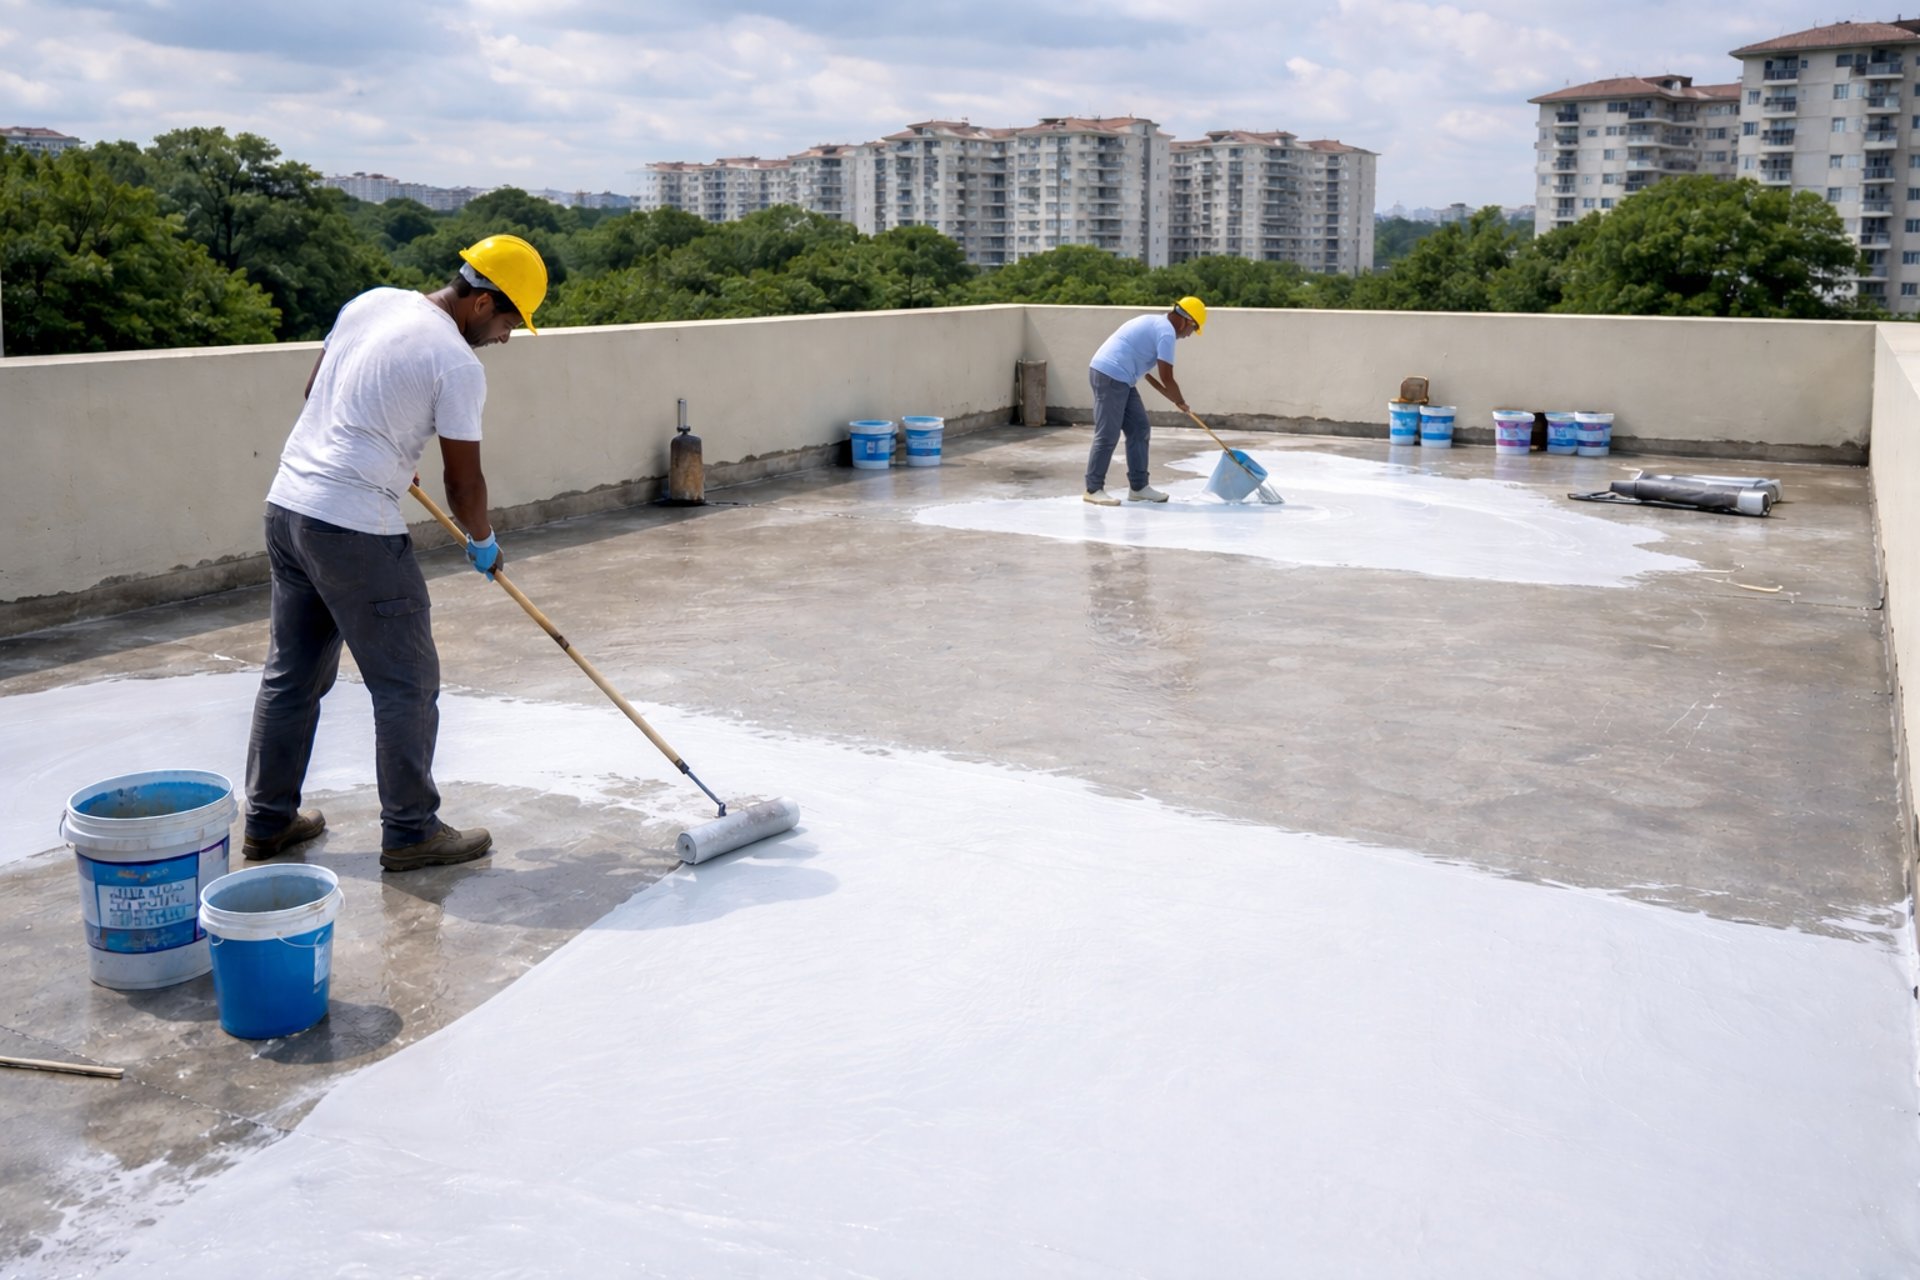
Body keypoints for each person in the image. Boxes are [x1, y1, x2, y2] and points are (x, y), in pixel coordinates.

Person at [241, 234, 547, 873]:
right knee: (407, 683)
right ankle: (412, 832)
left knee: (292, 673)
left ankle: (268, 823)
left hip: (289, 506)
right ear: (483, 300)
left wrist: (385, 450)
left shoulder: (372, 302)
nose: (508, 337)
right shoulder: (458, 364)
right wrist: (484, 542)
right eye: (510, 320)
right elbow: (463, 484)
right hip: (354, 529)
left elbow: (317, 395)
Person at [1083, 296, 1207, 505]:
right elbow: (1166, 377)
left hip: (1123, 379)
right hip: (1110, 375)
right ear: (1186, 320)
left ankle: (1139, 488)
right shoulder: (1166, 332)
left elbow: (1153, 377)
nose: (1189, 335)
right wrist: (1180, 400)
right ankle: (1093, 489)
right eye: (1193, 328)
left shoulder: (1157, 324)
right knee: (1108, 433)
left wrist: (1176, 400)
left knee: (1139, 429)